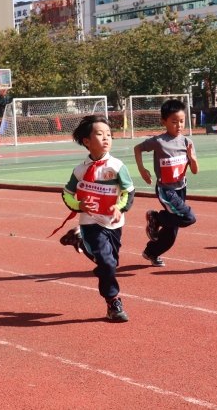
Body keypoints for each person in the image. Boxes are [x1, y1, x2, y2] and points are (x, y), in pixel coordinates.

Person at [57, 115, 134, 322]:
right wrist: (79, 206)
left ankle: (79, 240)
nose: (106, 138)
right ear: (87, 141)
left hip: (113, 223)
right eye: (100, 134)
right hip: (90, 223)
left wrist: (119, 208)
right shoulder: (80, 170)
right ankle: (113, 302)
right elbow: (67, 194)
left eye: (109, 134)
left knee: (111, 263)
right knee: (107, 262)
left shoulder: (117, 166)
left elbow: (129, 192)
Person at [134, 99, 199, 267]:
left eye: (182, 121)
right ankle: (156, 218)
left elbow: (194, 170)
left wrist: (192, 160)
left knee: (172, 230)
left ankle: (152, 252)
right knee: (188, 217)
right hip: (166, 190)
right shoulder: (159, 141)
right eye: (174, 122)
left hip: (181, 189)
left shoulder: (187, 142)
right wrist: (142, 169)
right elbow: (137, 148)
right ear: (164, 122)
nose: (179, 125)